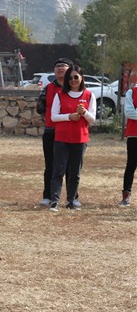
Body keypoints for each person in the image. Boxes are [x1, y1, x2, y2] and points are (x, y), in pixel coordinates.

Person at [49, 65, 95, 211]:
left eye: (76, 77)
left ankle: (71, 201)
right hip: (62, 138)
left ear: (81, 78)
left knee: (75, 172)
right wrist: (69, 116)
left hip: (80, 139)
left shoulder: (89, 95)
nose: (73, 80)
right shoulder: (60, 95)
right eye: (70, 78)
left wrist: (84, 112)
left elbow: (92, 119)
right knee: (58, 171)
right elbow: (53, 117)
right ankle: (54, 201)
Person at [36, 58, 72, 206]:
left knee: (71, 166)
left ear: (70, 69)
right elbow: (40, 107)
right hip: (51, 131)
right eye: (57, 66)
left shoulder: (75, 88)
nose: (60, 68)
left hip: (70, 132)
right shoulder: (48, 88)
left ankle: (72, 198)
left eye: (64, 66)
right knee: (50, 165)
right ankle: (48, 196)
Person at [120, 80, 137, 207]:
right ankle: (126, 195)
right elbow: (129, 112)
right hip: (134, 134)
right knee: (131, 164)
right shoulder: (132, 92)